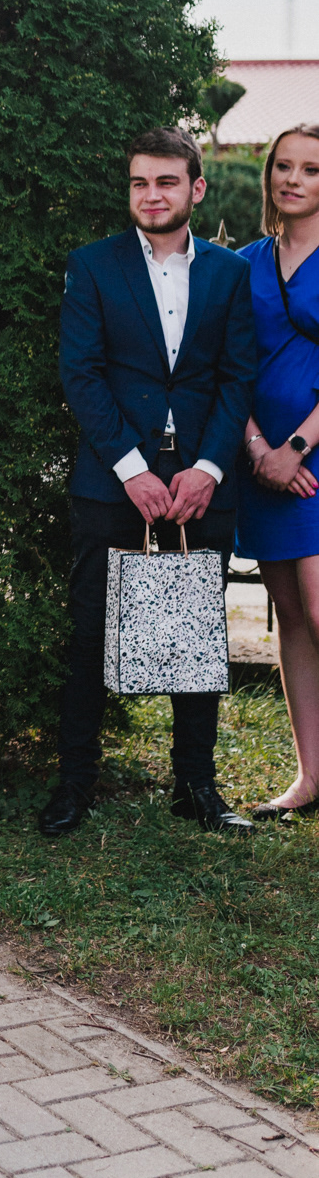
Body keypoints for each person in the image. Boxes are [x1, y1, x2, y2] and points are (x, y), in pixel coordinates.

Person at [50, 127, 256, 839]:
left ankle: (195, 786)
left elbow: (237, 378)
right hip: (113, 483)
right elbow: (80, 374)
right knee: (89, 633)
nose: (151, 195)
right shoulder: (92, 265)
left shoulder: (230, 273)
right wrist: (133, 471)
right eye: (139, 182)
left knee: (197, 632)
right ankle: (74, 784)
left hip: (202, 483)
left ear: (195, 188)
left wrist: (208, 468)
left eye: (166, 182)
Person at [234, 125, 319, 821]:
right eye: (283, 166)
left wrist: (294, 446)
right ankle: (309, 775)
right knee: (289, 614)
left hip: (312, 462)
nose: (293, 179)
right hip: (260, 465)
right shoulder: (243, 264)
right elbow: (225, 367)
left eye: (311, 169)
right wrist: (259, 449)